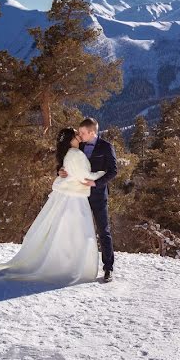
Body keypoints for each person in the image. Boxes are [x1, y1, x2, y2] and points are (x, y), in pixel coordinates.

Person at [0, 128, 105, 285]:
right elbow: (85, 176)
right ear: (69, 140)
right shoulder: (75, 154)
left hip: (68, 195)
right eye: (75, 135)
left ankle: (64, 262)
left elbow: (72, 170)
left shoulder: (71, 153)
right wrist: (103, 174)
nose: (79, 136)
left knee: (64, 231)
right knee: (75, 232)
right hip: (75, 198)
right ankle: (69, 266)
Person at [59, 117, 118, 282]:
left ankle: (108, 268)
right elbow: (67, 160)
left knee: (103, 231)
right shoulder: (80, 145)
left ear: (92, 132)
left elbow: (113, 171)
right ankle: (76, 266)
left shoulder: (107, 147)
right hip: (78, 195)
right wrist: (60, 170)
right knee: (78, 232)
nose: (80, 134)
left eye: (83, 132)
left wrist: (96, 182)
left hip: (98, 195)